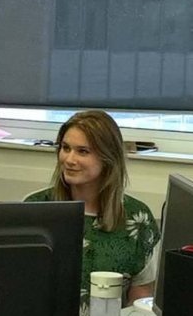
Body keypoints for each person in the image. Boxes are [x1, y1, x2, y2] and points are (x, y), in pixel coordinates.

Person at [24, 110, 160, 314]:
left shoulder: (137, 218)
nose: (69, 159)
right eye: (65, 148)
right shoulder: (35, 208)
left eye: (83, 151)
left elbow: (140, 302)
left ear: (107, 157)